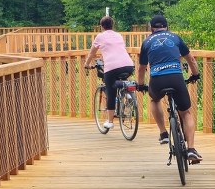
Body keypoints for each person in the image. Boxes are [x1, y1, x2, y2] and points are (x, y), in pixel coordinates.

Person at [137, 13, 202, 162]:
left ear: (151, 28)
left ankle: (163, 133)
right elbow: (190, 59)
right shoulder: (175, 38)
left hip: (157, 80)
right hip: (175, 78)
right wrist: (195, 74)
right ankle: (191, 149)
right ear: (167, 27)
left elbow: (141, 68)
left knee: (154, 100)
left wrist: (140, 84)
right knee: (186, 113)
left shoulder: (147, 42)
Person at [82, 15, 134, 134]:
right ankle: (128, 93)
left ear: (102, 26)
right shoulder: (119, 35)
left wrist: (86, 64)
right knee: (120, 80)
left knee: (111, 92)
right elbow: (116, 50)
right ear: (112, 25)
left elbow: (92, 53)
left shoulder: (100, 36)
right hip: (128, 65)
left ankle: (110, 121)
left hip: (112, 67)